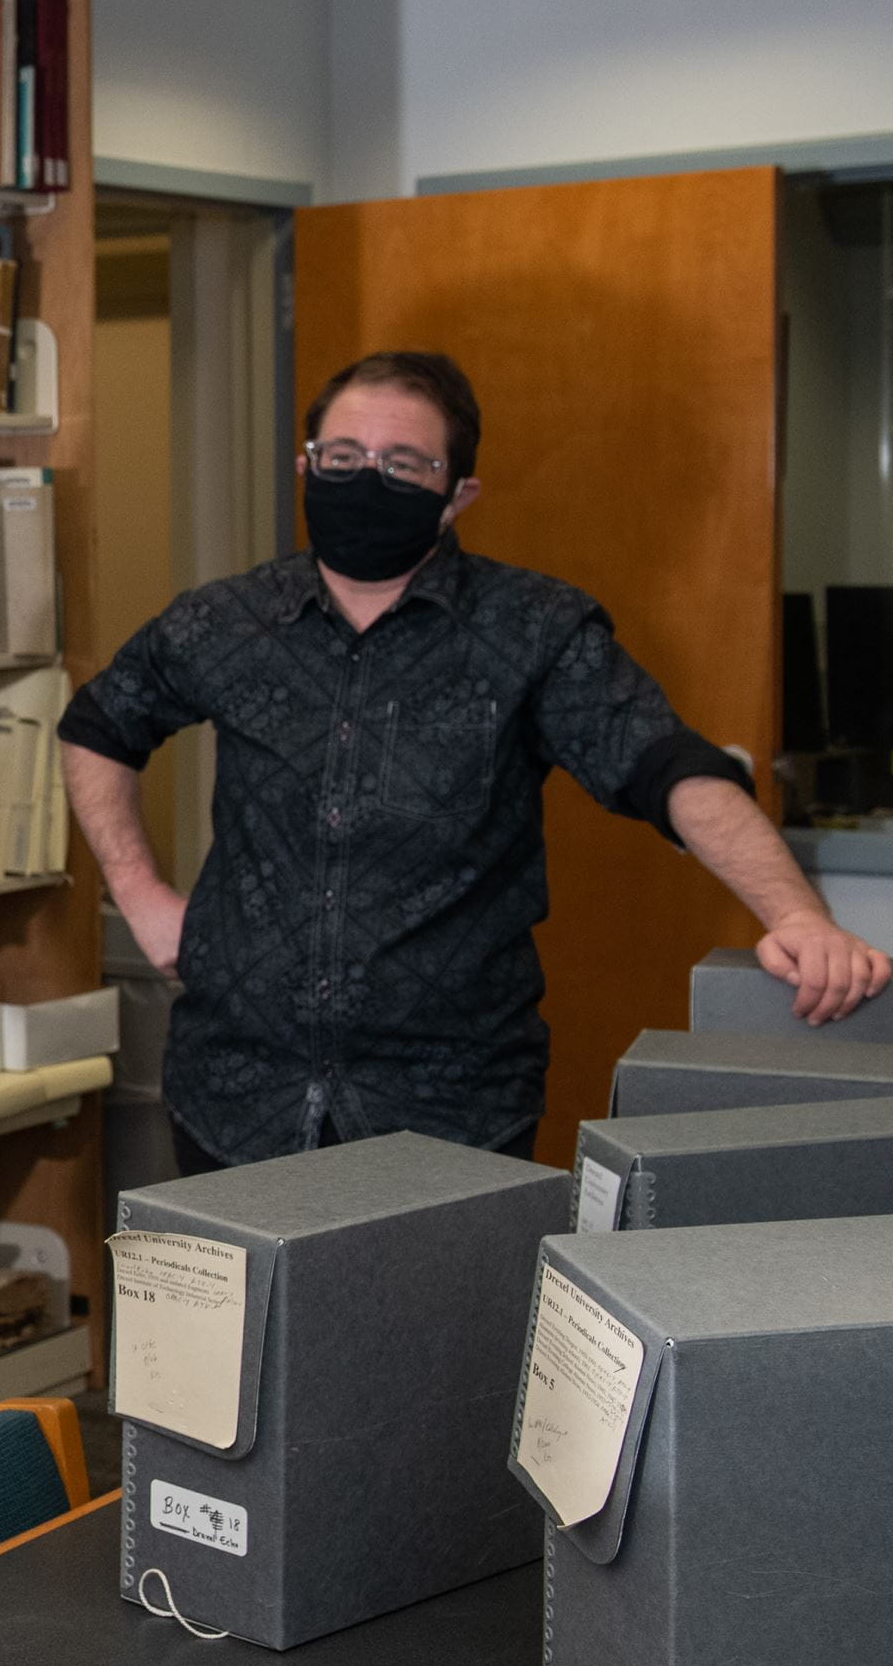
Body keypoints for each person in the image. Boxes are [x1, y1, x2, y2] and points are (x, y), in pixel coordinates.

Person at [61, 348, 885, 1174]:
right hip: (233, 1094)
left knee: (430, 1310)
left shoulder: (535, 629)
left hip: (449, 1108)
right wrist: (139, 893)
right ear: (307, 466)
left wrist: (796, 914)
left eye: (404, 464)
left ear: (458, 497)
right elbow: (98, 725)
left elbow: (667, 767)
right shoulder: (227, 620)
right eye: (343, 458)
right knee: (239, 1311)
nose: (366, 479)